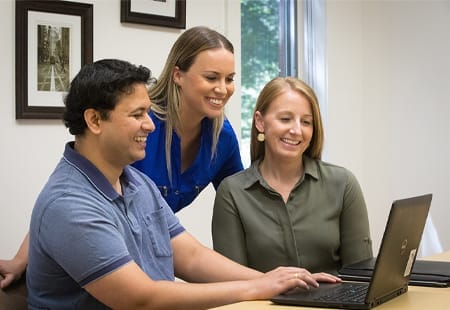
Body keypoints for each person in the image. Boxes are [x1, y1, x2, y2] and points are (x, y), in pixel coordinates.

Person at [25, 59, 340, 309]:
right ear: (94, 120)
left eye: (148, 112)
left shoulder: (137, 183)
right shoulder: (69, 204)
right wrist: (256, 287)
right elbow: (140, 299)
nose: (150, 124)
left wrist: (276, 280)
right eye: (137, 114)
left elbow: (191, 257)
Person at [0, 25, 244, 288]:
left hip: (151, 259)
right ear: (178, 76)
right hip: (116, 260)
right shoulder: (137, 130)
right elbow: (76, 201)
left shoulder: (222, 138)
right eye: (211, 77)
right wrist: (21, 258)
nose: (222, 89)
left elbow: (241, 205)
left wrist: (271, 280)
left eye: (229, 79)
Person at [212, 77, 373, 275]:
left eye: (306, 122)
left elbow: (362, 276)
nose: (297, 130)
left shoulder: (343, 184)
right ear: (260, 123)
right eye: (285, 119)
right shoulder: (232, 192)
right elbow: (231, 282)